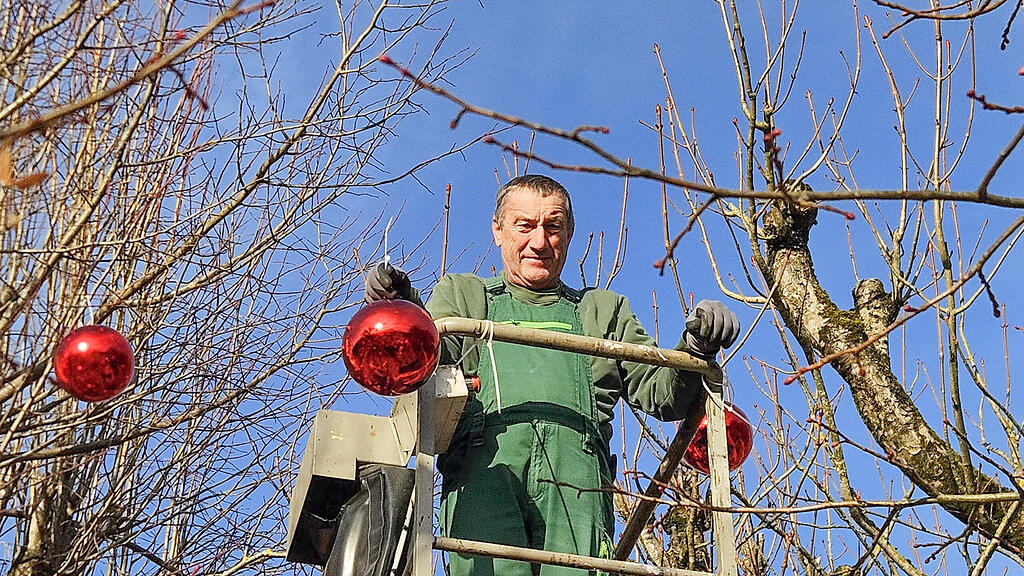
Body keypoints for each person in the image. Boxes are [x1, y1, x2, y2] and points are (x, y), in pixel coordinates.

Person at [364, 174, 739, 576]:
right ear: (498, 231)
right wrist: (404, 311)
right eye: (524, 225)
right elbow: (427, 361)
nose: (539, 241)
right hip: (483, 483)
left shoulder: (602, 312)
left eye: (553, 226)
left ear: (569, 233)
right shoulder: (464, 297)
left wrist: (696, 347)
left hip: (579, 493)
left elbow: (662, 394)